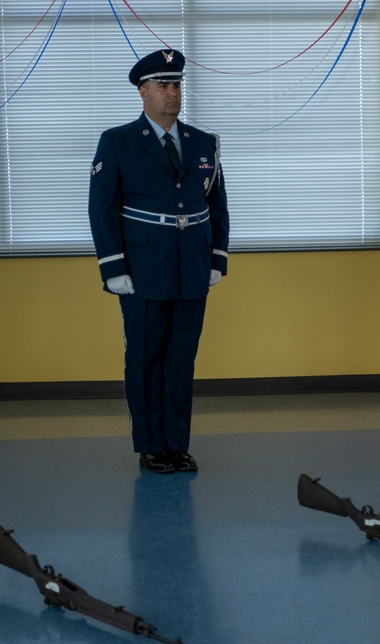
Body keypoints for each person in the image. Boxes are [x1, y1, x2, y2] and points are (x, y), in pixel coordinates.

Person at [88, 49, 229, 474]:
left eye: (177, 85)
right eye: (163, 86)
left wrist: (217, 258)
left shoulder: (203, 143)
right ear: (143, 92)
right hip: (143, 269)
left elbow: (217, 205)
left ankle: (176, 444)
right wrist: (113, 267)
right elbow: (102, 208)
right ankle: (151, 445)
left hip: (191, 266)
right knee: (146, 357)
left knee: (181, 358)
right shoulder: (118, 142)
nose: (173, 93)